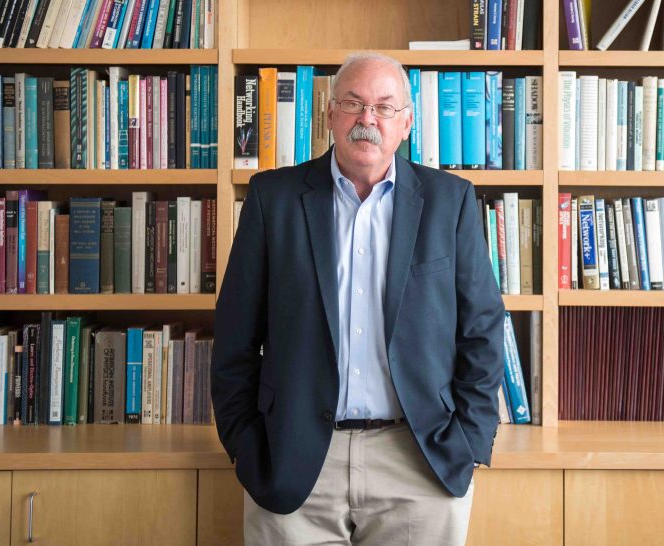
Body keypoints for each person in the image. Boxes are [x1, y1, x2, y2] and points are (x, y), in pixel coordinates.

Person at [211, 52, 506, 545]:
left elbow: (481, 330)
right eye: (352, 103)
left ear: (406, 122)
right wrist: (244, 442)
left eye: (384, 107)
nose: (367, 119)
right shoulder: (273, 198)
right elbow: (236, 336)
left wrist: (470, 441)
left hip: (419, 462)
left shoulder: (449, 202)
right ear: (329, 114)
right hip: (294, 459)